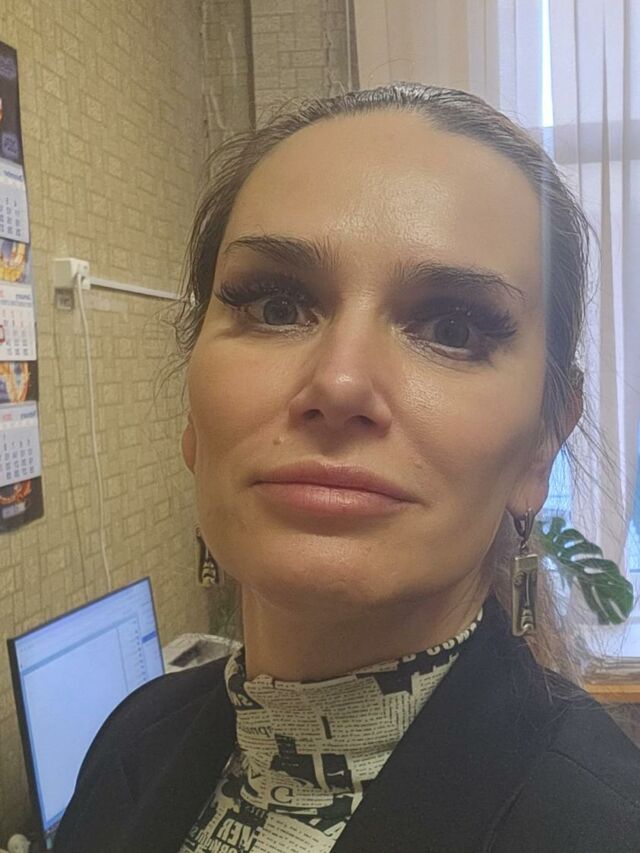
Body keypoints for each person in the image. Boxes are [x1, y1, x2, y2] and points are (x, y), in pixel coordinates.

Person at [53, 83, 640, 853]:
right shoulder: (131, 743)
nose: (338, 382)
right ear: (194, 414)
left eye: (452, 327)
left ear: (541, 445)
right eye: (275, 306)